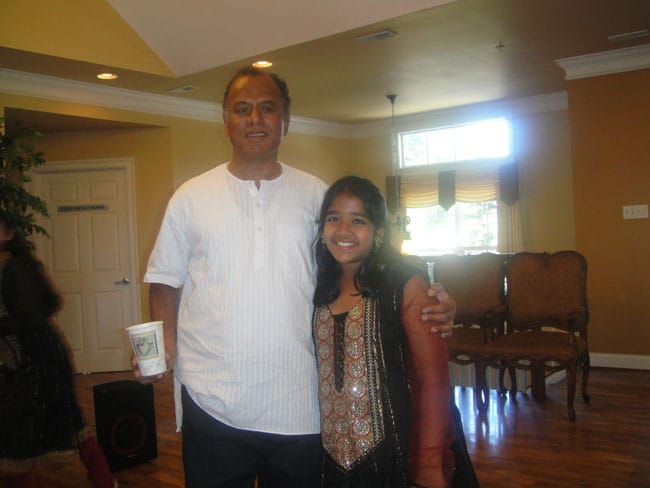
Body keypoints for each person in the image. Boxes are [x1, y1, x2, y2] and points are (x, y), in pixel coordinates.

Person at [138, 66, 456, 488]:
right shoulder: (190, 197)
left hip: (302, 407)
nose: (255, 119)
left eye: (267, 108)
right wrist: (166, 343)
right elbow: (164, 278)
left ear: (285, 121)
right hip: (212, 401)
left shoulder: (316, 195)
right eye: (242, 109)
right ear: (226, 120)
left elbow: (366, 263)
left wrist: (426, 296)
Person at [313, 176, 455, 487]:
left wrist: (430, 461)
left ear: (378, 232)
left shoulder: (405, 285)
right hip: (331, 456)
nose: (344, 231)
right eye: (333, 218)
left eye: (358, 220)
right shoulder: (318, 284)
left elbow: (434, 380)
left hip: (397, 453)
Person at [0, 213, 117, 488]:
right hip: (37, 357)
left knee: (21, 430)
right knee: (63, 421)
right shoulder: (15, 265)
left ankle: (105, 481)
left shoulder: (14, 267)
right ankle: (105, 481)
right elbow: (49, 304)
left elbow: (32, 316)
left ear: (8, 233)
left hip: (40, 359)